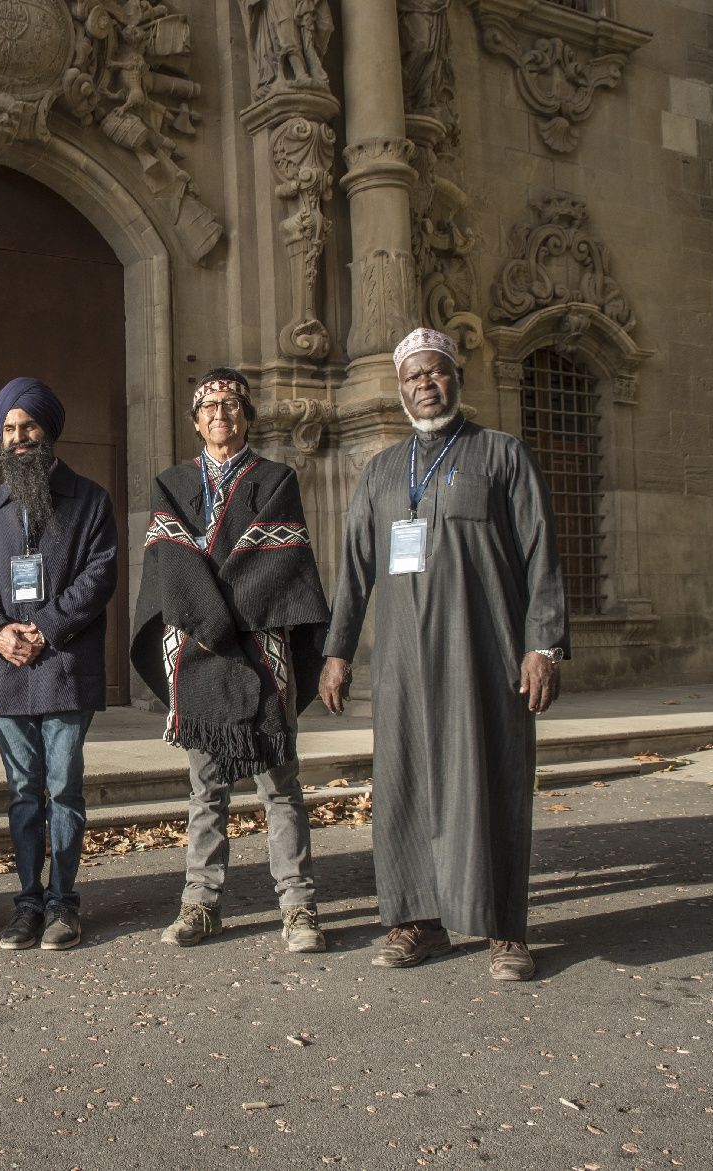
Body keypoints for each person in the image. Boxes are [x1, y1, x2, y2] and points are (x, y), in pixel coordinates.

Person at [319, 328, 567, 982]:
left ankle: (504, 928)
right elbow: (354, 569)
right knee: (404, 787)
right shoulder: (379, 470)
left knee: (491, 779)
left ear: (455, 376)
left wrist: (542, 642)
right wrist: (338, 650)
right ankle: (415, 921)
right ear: (400, 388)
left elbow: (542, 552)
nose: (423, 384)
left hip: (484, 652)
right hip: (402, 662)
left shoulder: (502, 455)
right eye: (411, 377)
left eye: (434, 373)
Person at [129, 369, 332, 952]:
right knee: (206, 788)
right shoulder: (170, 483)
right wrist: (210, 618)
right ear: (195, 421)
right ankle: (199, 904)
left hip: (261, 654)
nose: (221, 413)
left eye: (232, 404)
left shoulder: (275, 479)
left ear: (247, 416)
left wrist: (215, 606)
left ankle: (298, 907)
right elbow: (170, 560)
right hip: (199, 652)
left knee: (280, 786)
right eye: (209, 406)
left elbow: (276, 562)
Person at [0, 377, 118, 951]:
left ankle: (64, 903)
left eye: (28, 425)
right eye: (8, 428)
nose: (18, 436)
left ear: (50, 430)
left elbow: (99, 575)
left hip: (64, 667)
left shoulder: (91, 499)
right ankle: (27, 901)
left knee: (64, 788)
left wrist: (46, 626)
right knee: (22, 791)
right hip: (7, 670)